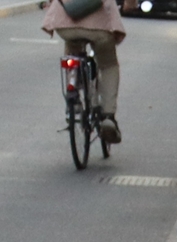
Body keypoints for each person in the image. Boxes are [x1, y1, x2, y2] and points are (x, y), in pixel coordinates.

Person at [42, 0, 126, 146]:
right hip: (99, 24)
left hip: (65, 21)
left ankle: (73, 93)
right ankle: (108, 116)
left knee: (72, 50)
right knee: (108, 65)